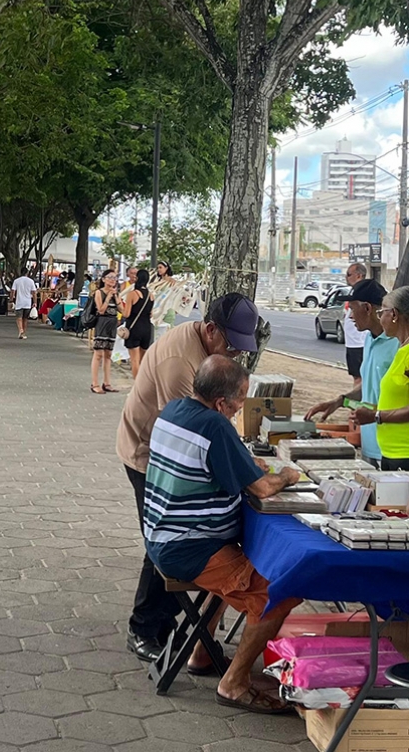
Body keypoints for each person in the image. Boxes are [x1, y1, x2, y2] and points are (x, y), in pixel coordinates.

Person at [143, 355, 302, 714]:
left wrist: (248, 465)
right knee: (277, 589)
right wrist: (287, 477)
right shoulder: (215, 426)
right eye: (240, 400)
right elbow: (261, 489)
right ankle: (234, 683)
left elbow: (222, 465)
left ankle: (202, 653)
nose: (240, 407)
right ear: (221, 403)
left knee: (248, 561)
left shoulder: (175, 410)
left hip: (166, 536)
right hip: (187, 546)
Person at [116, 292, 260, 664]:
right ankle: (144, 628)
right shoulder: (182, 362)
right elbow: (191, 430)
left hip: (166, 447)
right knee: (167, 535)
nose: (235, 355)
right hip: (149, 453)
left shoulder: (208, 352)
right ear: (211, 330)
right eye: (231, 346)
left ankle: (184, 632)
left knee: (184, 536)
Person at [307, 280, 395, 466]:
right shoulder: (370, 339)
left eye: (352, 309)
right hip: (369, 444)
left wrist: (376, 415)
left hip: (393, 449)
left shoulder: (398, 344)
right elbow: (370, 384)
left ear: (368, 308)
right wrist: (340, 400)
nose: (350, 316)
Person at [351, 286, 409, 470]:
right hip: (390, 452)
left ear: (394, 314)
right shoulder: (401, 351)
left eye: (382, 312)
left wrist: (376, 415)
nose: (379, 317)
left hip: (404, 453)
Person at [90, 269, 121, 393]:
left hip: (112, 324)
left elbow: (122, 310)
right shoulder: (99, 293)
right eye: (110, 277)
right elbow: (101, 310)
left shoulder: (115, 293)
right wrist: (108, 297)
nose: (113, 280)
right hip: (102, 323)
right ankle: (94, 383)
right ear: (103, 279)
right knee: (98, 354)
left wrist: (116, 297)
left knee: (108, 354)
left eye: (114, 277)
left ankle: (107, 383)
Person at [121, 268, 155, 379]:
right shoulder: (151, 295)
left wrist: (119, 306)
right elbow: (150, 314)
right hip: (147, 328)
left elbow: (126, 314)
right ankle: (143, 384)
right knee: (142, 360)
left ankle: (137, 387)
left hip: (134, 328)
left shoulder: (133, 294)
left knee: (134, 360)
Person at [344, 263, 370, 392]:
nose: (346, 277)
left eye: (349, 274)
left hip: (359, 342)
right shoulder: (355, 291)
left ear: (359, 275)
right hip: (353, 342)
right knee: (357, 376)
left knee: (360, 378)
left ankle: (359, 405)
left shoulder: (363, 291)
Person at [11, 269, 37, 340]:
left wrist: (11, 299)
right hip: (27, 302)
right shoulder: (31, 281)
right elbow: (34, 293)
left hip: (19, 302)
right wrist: (35, 302)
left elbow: (13, 291)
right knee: (25, 319)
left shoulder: (16, 281)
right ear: (27, 273)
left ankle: (20, 330)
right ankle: (24, 332)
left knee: (19, 318)